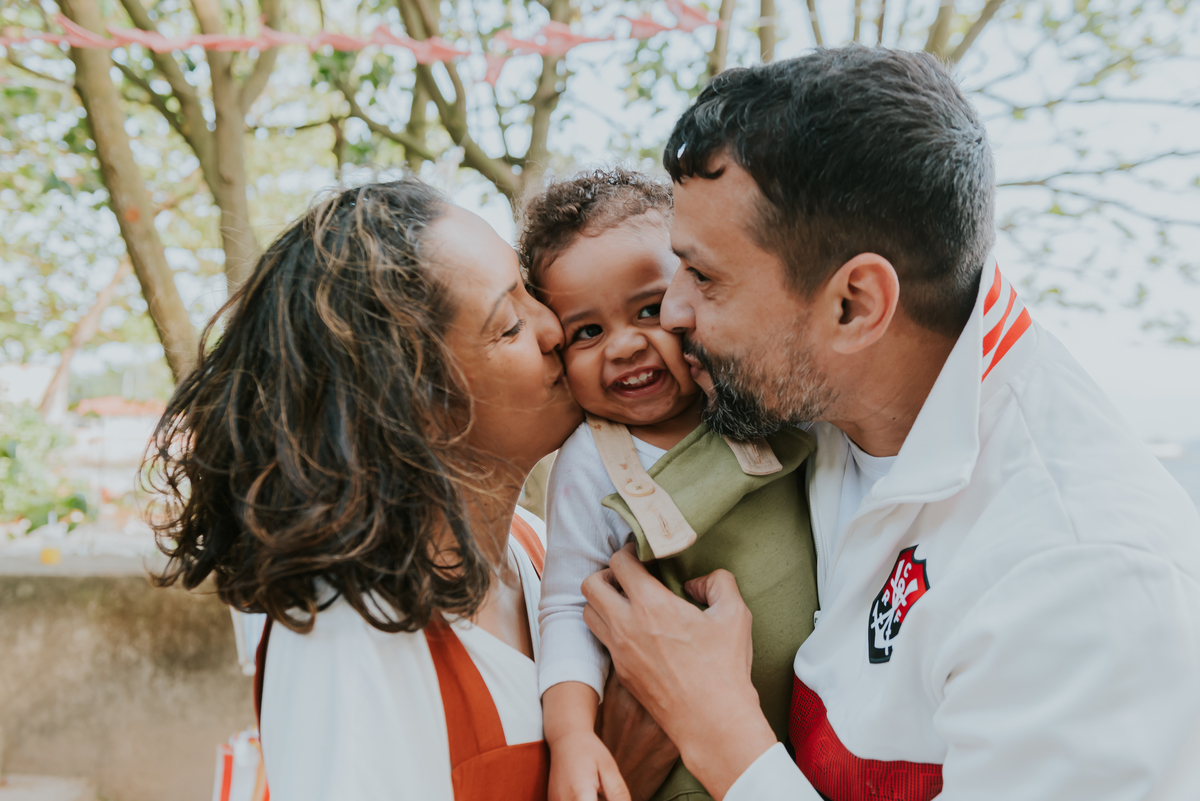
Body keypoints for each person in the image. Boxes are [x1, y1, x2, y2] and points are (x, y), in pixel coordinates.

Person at [581, 46, 1200, 801]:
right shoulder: (827, 401)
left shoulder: (1081, 577)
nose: (673, 311)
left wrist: (719, 730)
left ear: (856, 305)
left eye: (705, 277)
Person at [144, 179, 675, 801]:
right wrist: (623, 781)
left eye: (529, 290)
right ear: (412, 404)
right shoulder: (346, 644)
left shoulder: (534, 545)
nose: (554, 327)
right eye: (508, 325)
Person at [520, 169, 818, 801]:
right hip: (687, 767)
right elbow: (569, 605)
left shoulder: (750, 402)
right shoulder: (593, 458)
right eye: (588, 332)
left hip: (814, 734)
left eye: (649, 310)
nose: (626, 345)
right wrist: (573, 734)